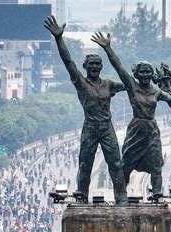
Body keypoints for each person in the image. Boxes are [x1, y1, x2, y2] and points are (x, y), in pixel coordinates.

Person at [44, 16, 127, 204]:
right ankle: (82, 196)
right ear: (86, 67)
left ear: (101, 66)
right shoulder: (81, 83)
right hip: (90, 127)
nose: (95, 67)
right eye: (92, 64)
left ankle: (122, 198)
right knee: (85, 164)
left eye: (98, 64)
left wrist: (108, 48)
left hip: (107, 127)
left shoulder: (109, 85)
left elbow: (129, 84)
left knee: (115, 163)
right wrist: (59, 38)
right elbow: (68, 62)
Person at [91, 32, 171, 197]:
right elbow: (118, 67)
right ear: (137, 74)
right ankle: (121, 195)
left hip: (151, 130)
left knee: (156, 166)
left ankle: (157, 194)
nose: (146, 75)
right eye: (143, 72)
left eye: (149, 72)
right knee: (126, 165)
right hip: (136, 129)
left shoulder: (156, 91)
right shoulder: (132, 86)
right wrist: (107, 48)